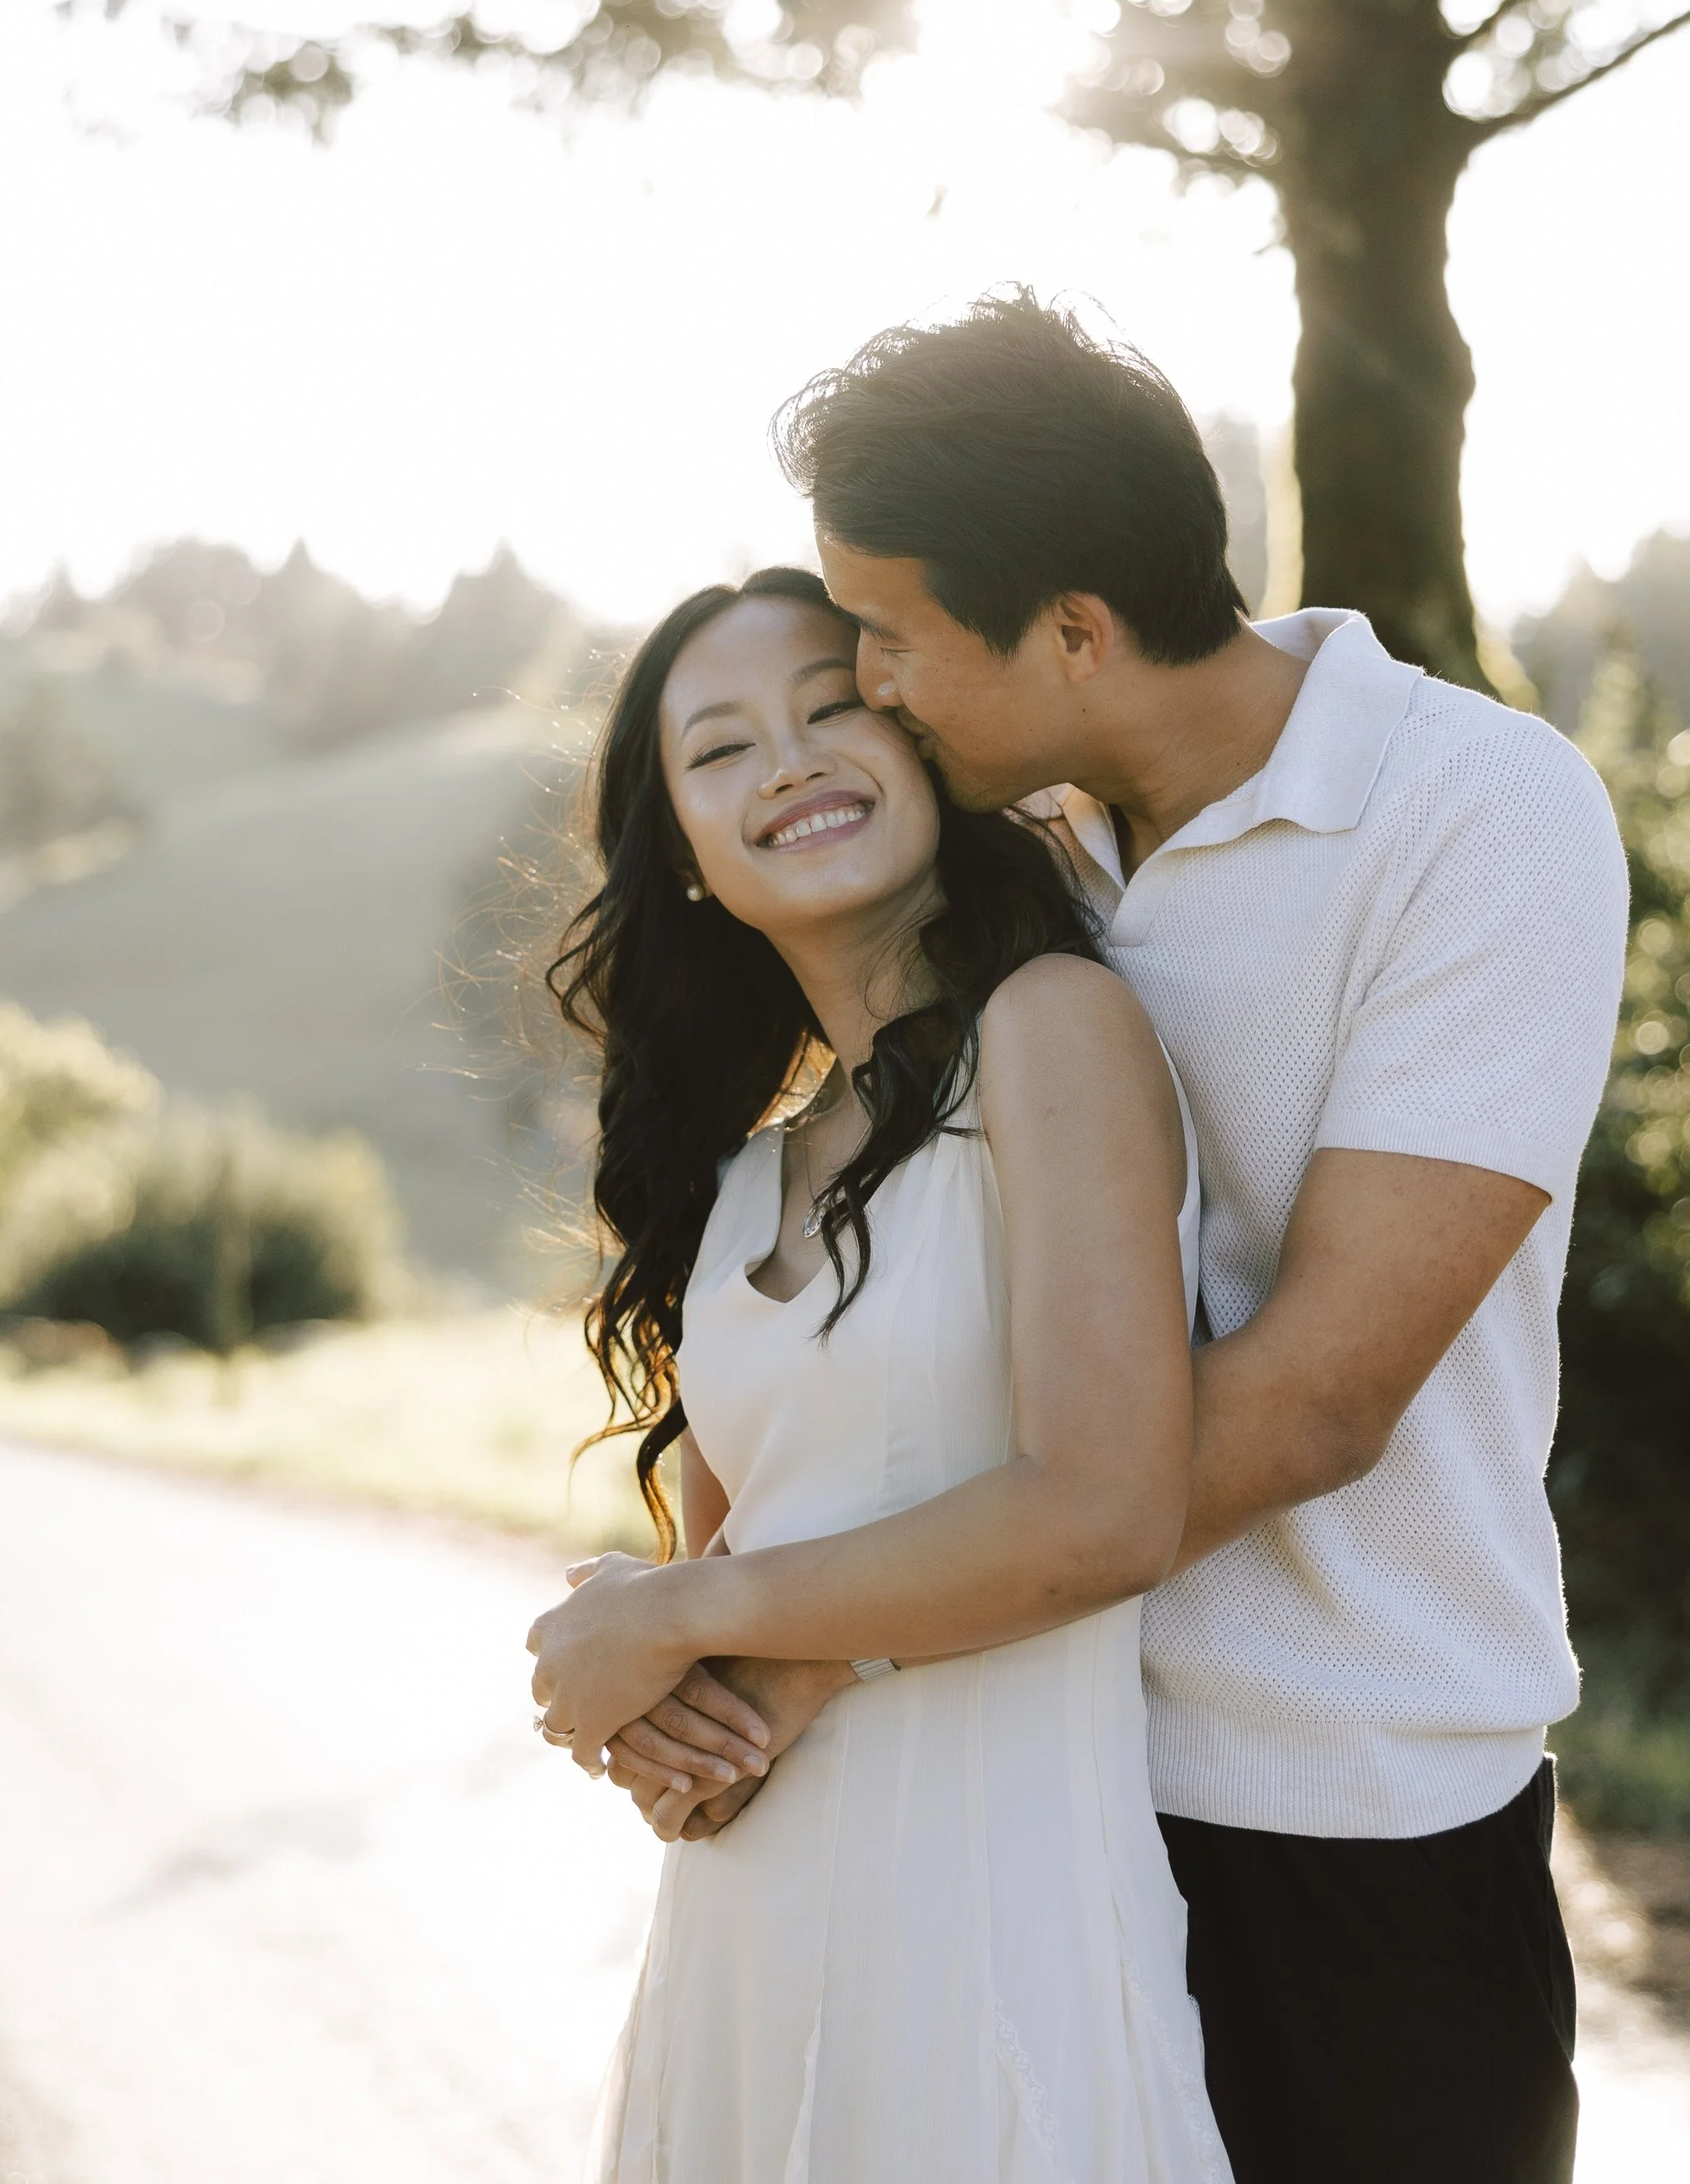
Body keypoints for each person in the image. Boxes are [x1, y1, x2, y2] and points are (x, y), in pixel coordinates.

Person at [585, 294, 1630, 2184]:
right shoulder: (1023, 861)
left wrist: (791, 1654)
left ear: (1069, 628)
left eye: (886, 644)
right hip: (1003, 1789)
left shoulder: (1473, 811)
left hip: (1338, 1805)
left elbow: (1318, 1397)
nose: (873, 690)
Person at [527, 565, 1234, 2184]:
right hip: (744, 1930)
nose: (788, 761)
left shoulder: (1053, 1033)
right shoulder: (730, 1185)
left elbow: (1106, 1513)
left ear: (921, 745)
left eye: (831, 705)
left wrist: (670, 1621)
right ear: (687, 860)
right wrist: (653, 1704)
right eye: (722, 750)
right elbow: (738, 1568)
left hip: (986, 1919)